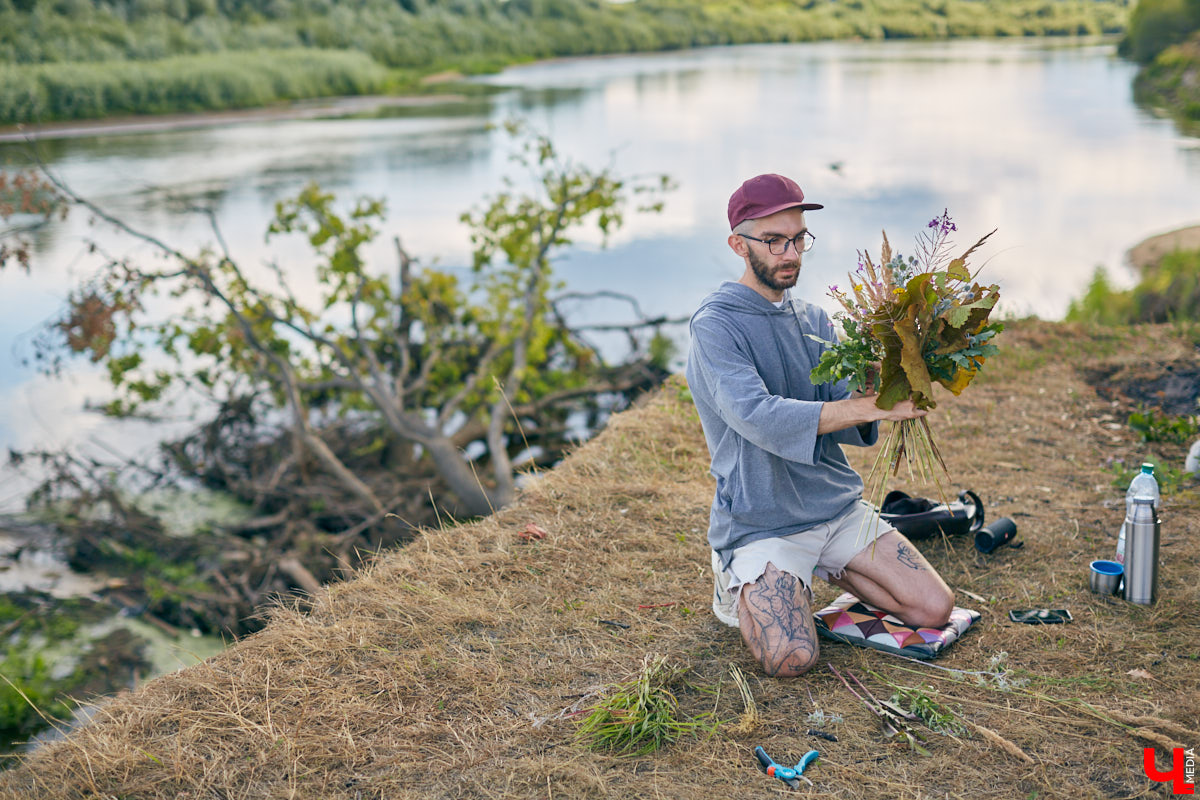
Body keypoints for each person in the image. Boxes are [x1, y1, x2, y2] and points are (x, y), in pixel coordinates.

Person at [684, 174, 954, 678]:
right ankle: (737, 578)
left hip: (835, 505)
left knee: (934, 609)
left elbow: (843, 410)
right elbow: (759, 417)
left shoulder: (814, 319)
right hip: (763, 521)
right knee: (791, 658)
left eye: (798, 238)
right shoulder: (715, 325)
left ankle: (817, 571)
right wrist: (871, 409)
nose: (790, 254)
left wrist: (885, 378)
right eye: (774, 241)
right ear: (738, 244)